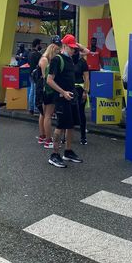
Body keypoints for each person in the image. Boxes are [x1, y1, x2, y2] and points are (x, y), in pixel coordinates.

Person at [46, 34, 85, 168]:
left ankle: (67, 152)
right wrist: (63, 92)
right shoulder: (57, 59)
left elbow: (85, 51)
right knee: (60, 126)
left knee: (71, 125)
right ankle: (54, 155)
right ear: (64, 46)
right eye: (71, 47)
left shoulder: (70, 58)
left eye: (74, 48)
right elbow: (49, 80)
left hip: (71, 97)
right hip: (62, 98)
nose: (74, 50)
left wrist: (74, 43)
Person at [36, 42, 61, 148]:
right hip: (46, 90)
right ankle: (48, 140)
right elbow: (46, 77)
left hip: (42, 89)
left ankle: (42, 136)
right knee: (48, 115)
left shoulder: (43, 58)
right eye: (56, 51)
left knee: (43, 114)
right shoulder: (45, 60)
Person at [73, 48, 90, 145]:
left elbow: (86, 78)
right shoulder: (68, 60)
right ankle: (65, 137)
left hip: (80, 89)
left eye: (74, 50)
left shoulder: (82, 61)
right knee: (69, 113)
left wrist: (85, 91)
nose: (73, 52)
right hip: (69, 89)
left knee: (81, 113)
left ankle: (83, 136)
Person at [28, 38, 42, 115]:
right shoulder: (38, 54)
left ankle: (31, 108)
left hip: (30, 74)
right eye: (40, 44)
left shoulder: (29, 53)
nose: (40, 46)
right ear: (37, 44)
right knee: (36, 91)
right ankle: (36, 108)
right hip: (37, 75)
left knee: (31, 91)